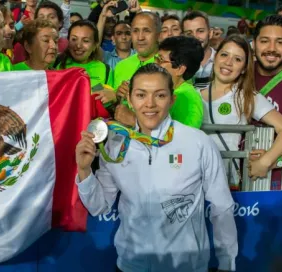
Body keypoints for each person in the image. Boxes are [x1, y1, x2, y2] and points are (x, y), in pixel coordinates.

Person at [75, 63, 237, 272]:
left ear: (172, 99)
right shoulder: (115, 145)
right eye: (141, 95)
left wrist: (227, 264)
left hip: (187, 267)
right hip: (131, 266)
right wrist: (85, 170)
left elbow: (222, 207)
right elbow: (99, 206)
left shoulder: (198, 142)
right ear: (130, 99)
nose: (149, 104)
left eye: (160, 95)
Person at [200, 34, 282, 189]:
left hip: (225, 184)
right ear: (215, 57)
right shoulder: (192, 93)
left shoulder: (247, 97)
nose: (228, 62)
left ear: (245, 68)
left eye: (237, 59)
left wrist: (264, 162)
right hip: (192, 179)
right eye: (224, 54)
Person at [252, 15, 282, 190]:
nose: (272, 49)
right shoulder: (238, 75)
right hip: (231, 180)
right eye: (265, 41)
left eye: (280, 42)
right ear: (254, 43)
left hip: (277, 188)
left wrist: (272, 161)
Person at [56, 20, 115, 107]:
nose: (78, 45)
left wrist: (114, 96)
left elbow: (110, 100)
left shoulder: (105, 69)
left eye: (86, 41)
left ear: (95, 45)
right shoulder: (57, 65)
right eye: (74, 39)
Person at [182, 11, 215, 90]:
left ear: (210, 33)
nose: (195, 37)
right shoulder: (178, 63)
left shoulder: (222, 61)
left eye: (200, 31)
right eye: (189, 33)